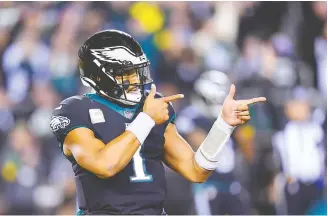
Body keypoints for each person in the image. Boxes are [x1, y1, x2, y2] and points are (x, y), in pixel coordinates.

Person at [49, 29, 266, 215]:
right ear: (99, 75)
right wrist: (145, 119)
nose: (136, 79)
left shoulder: (152, 104)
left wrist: (223, 125)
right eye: (127, 73)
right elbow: (105, 165)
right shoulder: (75, 110)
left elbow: (195, 170)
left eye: (137, 71)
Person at [175, 70, 251, 215]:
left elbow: (248, 151)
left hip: (232, 184)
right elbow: (203, 142)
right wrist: (226, 125)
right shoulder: (189, 117)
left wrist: (243, 129)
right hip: (207, 186)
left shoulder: (228, 116)